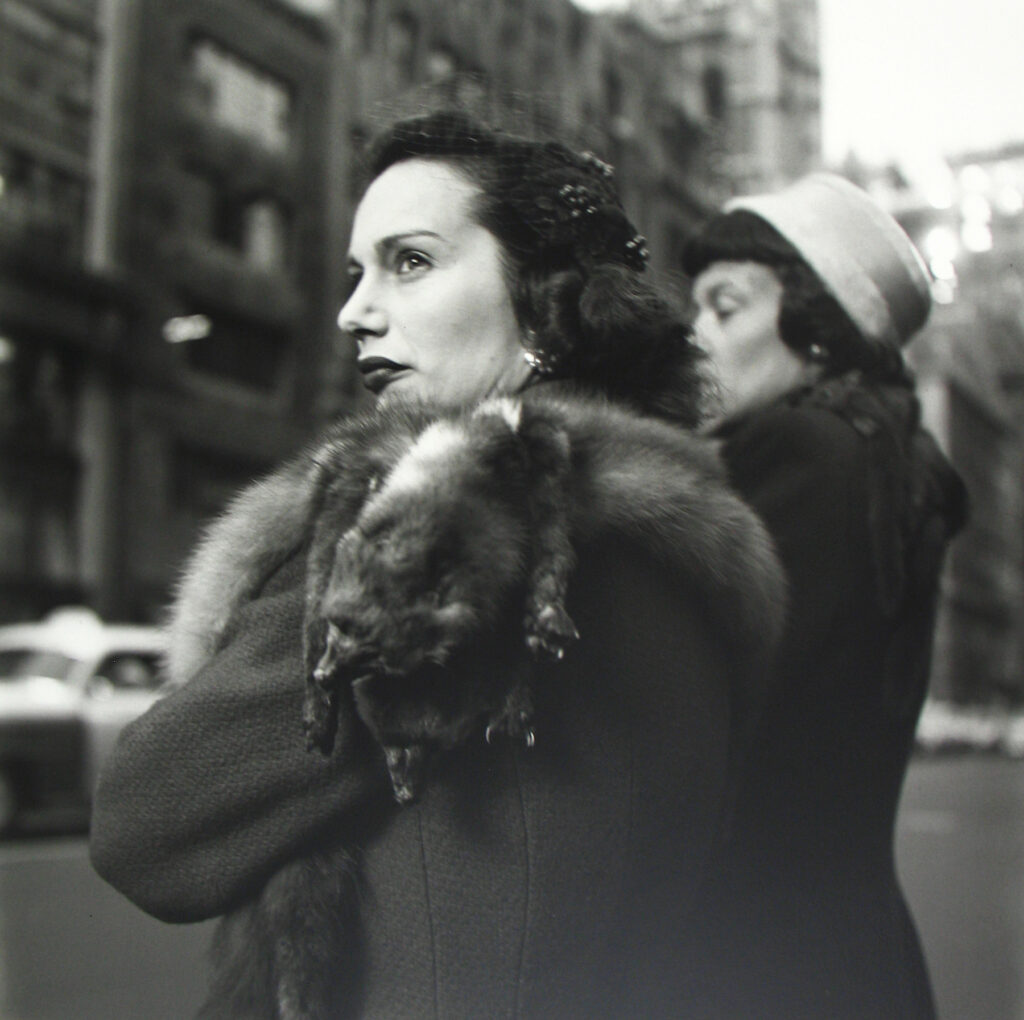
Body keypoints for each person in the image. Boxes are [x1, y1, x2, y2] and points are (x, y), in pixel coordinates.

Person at [89, 111, 786, 1018]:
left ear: (545, 302)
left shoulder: (461, 528)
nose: (354, 311)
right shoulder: (674, 542)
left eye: (409, 261)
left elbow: (146, 827)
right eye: (354, 273)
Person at [682, 173, 968, 1019]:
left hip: (751, 957)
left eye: (724, 308)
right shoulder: (892, 459)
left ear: (816, 329)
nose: (692, 336)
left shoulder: (799, 449)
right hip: (855, 950)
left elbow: (719, 727)